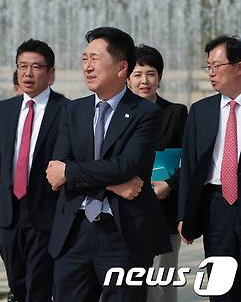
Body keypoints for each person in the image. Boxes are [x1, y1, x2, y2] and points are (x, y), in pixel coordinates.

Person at [45, 27, 171, 302]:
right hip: (74, 232)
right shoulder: (72, 110)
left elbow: (126, 165)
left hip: (122, 235)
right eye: (84, 59)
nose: (87, 67)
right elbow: (56, 169)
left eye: (95, 58)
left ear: (121, 67)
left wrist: (72, 173)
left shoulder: (146, 113)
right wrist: (114, 184)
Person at [0, 39, 68, 302]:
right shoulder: (6, 109)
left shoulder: (65, 109)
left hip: (45, 213)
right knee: (16, 285)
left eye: (36, 67)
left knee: (38, 287)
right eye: (22, 66)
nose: (28, 73)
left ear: (51, 74)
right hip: (9, 213)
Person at [179, 35, 241, 302]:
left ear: (239, 66)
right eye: (208, 67)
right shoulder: (201, 111)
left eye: (217, 66)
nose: (211, 73)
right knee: (221, 283)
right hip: (216, 206)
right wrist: (184, 214)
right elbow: (190, 167)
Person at [127, 45, 187, 302]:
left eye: (150, 73)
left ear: (159, 77)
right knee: (128, 281)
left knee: (162, 282)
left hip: (164, 211)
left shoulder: (176, 113)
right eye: (138, 73)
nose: (144, 80)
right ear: (127, 77)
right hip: (126, 210)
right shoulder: (117, 113)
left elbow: (191, 161)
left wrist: (170, 185)